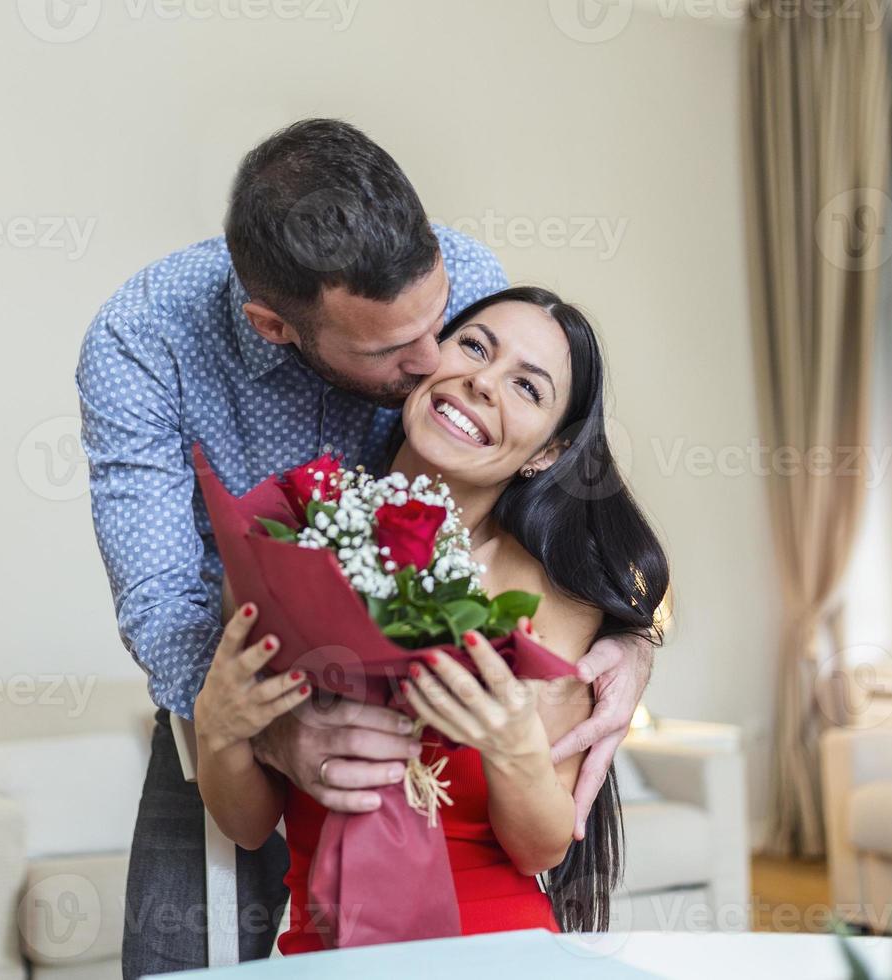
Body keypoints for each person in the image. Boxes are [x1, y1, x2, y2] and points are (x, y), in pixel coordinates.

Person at [77, 120, 654, 974]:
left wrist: (635, 635)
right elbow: (165, 603)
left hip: (479, 898)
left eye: (446, 323)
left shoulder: (467, 290)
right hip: (233, 675)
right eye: (395, 349)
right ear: (276, 327)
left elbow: (563, 498)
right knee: (171, 958)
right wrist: (257, 724)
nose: (441, 366)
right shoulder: (143, 342)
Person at [193, 287, 669, 950]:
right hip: (322, 955)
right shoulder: (292, 538)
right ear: (427, 357)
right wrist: (217, 731)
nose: (481, 381)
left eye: (526, 388)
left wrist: (513, 747)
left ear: (546, 453)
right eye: (474, 346)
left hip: (493, 949)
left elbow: (539, 851)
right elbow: (248, 825)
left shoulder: (546, 597)